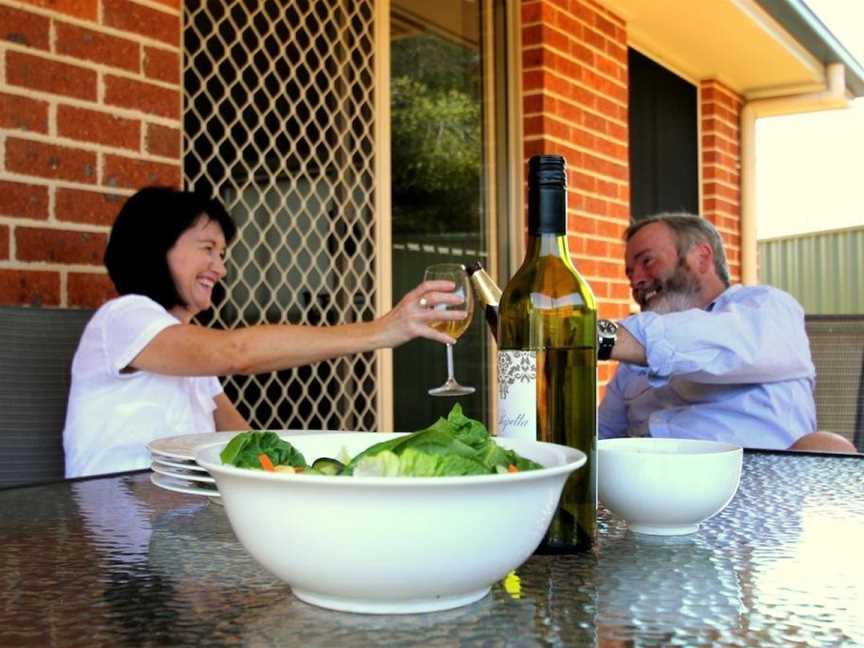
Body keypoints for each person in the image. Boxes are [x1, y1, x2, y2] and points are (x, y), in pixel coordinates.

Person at [63, 187, 467, 478]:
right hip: (121, 537)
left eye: (222, 255)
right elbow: (237, 352)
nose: (220, 268)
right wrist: (381, 331)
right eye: (207, 249)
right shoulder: (123, 318)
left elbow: (245, 442)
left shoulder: (185, 349)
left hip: (177, 532)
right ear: (156, 248)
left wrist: (314, 475)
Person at [598, 212, 857, 453]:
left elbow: (720, 342)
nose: (636, 280)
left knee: (829, 446)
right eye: (630, 273)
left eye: (647, 261)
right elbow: (598, 439)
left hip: (760, 489)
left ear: (701, 257)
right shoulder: (630, 366)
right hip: (647, 490)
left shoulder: (766, 307)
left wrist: (598, 336)